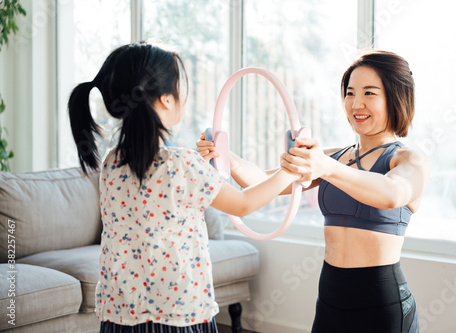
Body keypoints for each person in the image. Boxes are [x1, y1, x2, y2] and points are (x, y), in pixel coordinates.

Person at [67, 41, 300, 333]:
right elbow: (242, 204)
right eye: (182, 85)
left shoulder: (112, 161)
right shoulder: (182, 163)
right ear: (166, 98)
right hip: (177, 312)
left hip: (121, 312)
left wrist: (212, 165)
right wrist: (292, 171)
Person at [197, 50, 430, 332]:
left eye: (370, 93)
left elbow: (392, 193)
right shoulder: (334, 157)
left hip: (382, 306)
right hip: (330, 299)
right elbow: (259, 180)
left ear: (396, 97)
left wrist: (325, 167)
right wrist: (226, 157)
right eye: (350, 93)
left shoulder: (408, 160)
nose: (356, 103)